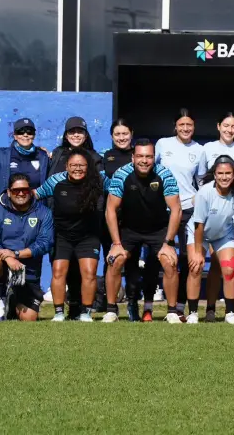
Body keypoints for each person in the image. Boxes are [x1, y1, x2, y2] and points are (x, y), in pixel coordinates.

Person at [104, 139, 182, 323]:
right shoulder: (121, 174)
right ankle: (111, 310)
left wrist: (169, 243)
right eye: (140, 156)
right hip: (130, 228)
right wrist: (116, 244)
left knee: (169, 261)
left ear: (154, 158)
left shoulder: (165, 174)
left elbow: (176, 209)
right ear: (133, 157)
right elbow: (110, 210)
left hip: (158, 228)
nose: (144, 160)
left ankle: (171, 311)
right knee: (115, 260)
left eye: (148, 156)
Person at [35, 148, 106, 322]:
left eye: (81, 165)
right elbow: (35, 194)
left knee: (89, 273)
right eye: (73, 165)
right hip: (62, 236)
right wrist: (9, 197)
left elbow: (120, 188)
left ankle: (86, 313)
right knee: (59, 272)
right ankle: (58, 313)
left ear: (88, 166)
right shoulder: (55, 181)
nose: (77, 169)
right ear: (66, 166)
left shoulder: (100, 181)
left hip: (88, 236)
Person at [48, 115, 103, 320]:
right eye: (72, 131)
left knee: (86, 270)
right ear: (66, 134)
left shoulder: (95, 157)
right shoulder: (57, 154)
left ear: (86, 134)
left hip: (86, 227)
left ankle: (83, 309)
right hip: (60, 226)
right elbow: (47, 186)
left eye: (80, 131)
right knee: (62, 269)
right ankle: (65, 309)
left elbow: (99, 192)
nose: (76, 135)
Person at [0, 174, 53, 321]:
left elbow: (45, 243)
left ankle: (12, 301)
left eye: (25, 190)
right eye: (16, 190)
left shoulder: (44, 213)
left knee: (28, 318)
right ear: (8, 192)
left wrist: (15, 254)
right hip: (3, 266)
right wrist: (7, 257)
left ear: (31, 191)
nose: (20, 193)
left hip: (28, 272)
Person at [196, 113, 234, 321]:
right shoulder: (207, 148)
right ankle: (209, 308)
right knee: (215, 265)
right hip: (211, 211)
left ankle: (229, 311)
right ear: (218, 126)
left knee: (229, 265)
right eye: (226, 125)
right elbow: (201, 178)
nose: (229, 129)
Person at [185, 155, 234, 324]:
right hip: (199, 233)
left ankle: (230, 313)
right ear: (214, 174)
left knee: (229, 269)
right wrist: (198, 252)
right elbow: (199, 225)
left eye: (228, 173)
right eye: (220, 173)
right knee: (195, 267)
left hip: (223, 234)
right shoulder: (205, 192)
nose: (224, 177)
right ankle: (192, 313)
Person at [155, 109, 204, 320]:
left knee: (189, 260)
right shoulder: (162, 144)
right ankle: (168, 307)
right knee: (166, 259)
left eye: (189, 125)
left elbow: (201, 182)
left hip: (188, 210)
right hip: (163, 209)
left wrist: (198, 198)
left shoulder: (200, 150)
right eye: (182, 125)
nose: (185, 129)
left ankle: (186, 309)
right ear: (175, 126)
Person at [99, 118, 135, 318]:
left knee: (132, 262)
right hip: (111, 216)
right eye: (117, 134)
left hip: (134, 217)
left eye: (125, 133)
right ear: (112, 136)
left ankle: (132, 305)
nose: (121, 138)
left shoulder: (139, 155)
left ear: (131, 134)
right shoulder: (105, 156)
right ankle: (110, 307)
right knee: (111, 260)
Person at [0, 117, 49, 203]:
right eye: (21, 131)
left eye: (29, 132)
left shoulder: (43, 156)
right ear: (14, 136)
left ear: (34, 135)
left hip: (34, 209)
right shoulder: (1, 155)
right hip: (7, 209)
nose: (25, 134)